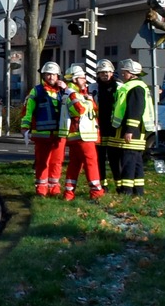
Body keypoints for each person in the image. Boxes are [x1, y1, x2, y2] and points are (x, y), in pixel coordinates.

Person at [58, 65, 104, 201]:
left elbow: (95, 110)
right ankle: (96, 192)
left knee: (75, 164)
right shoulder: (72, 93)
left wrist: (87, 98)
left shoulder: (79, 94)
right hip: (82, 136)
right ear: (75, 79)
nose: (85, 80)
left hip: (78, 136)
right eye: (82, 78)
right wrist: (88, 100)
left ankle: (69, 193)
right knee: (91, 163)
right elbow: (79, 110)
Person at [21, 61, 67, 197]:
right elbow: (28, 110)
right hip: (42, 134)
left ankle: (54, 188)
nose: (51, 77)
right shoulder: (37, 90)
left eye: (53, 74)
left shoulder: (64, 90)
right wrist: (25, 126)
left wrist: (66, 89)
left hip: (60, 133)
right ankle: (41, 189)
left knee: (57, 162)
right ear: (43, 75)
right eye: (48, 74)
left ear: (58, 75)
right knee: (42, 162)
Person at [111, 59, 153, 196]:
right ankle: (138, 191)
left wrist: (129, 130)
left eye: (125, 72)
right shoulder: (137, 86)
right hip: (137, 131)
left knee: (128, 161)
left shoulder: (135, 88)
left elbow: (135, 110)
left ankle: (127, 191)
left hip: (133, 132)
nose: (123, 74)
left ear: (131, 73)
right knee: (136, 162)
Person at [91, 59, 122, 189]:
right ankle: (102, 185)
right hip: (98, 127)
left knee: (115, 158)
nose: (106, 75)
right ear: (98, 74)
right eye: (103, 72)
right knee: (99, 158)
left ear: (113, 73)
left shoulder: (120, 87)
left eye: (108, 72)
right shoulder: (92, 88)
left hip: (114, 127)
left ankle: (119, 185)